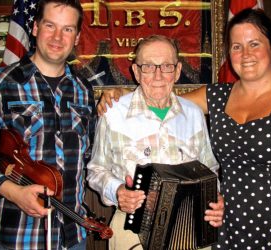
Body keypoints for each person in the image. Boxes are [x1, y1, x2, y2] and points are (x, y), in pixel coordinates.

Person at [96, 9, 271, 249]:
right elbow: (165, 95)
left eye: (254, 44)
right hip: (223, 223)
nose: (245, 54)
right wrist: (122, 95)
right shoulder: (217, 96)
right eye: (236, 46)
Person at [0, 0, 96, 249]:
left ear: (77, 37)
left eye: (68, 29)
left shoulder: (84, 90)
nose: (58, 37)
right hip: (18, 237)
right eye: (50, 25)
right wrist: (11, 191)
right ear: (36, 28)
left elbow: (89, 157)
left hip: (73, 237)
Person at [86, 35, 224, 250]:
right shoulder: (113, 113)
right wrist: (117, 191)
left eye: (166, 66)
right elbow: (96, 170)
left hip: (191, 228)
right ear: (136, 72)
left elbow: (211, 169)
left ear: (177, 71)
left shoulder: (194, 114)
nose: (158, 75)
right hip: (132, 231)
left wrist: (216, 198)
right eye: (148, 66)